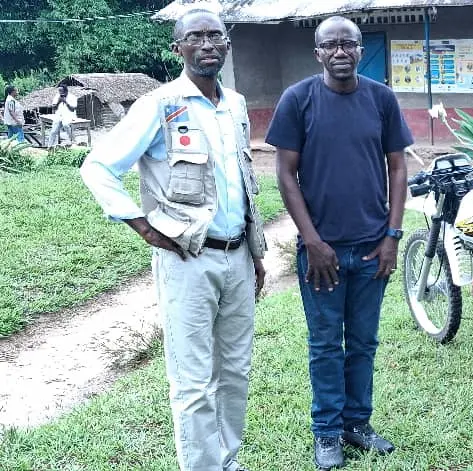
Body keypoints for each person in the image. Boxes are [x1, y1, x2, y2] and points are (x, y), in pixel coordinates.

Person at [79, 8, 266, 471]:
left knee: (235, 372)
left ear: (227, 45)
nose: (207, 44)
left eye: (215, 36)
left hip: (239, 257)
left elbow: (240, 184)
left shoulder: (235, 104)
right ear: (177, 48)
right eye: (195, 37)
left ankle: (228, 461)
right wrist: (142, 226)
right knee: (193, 382)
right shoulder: (160, 105)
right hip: (188, 260)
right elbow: (98, 167)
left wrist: (256, 254)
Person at [265, 15, 412, 470]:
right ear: (318, 53)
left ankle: (357, 423)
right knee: (326, 344)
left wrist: (391, 236)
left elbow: (398, 168)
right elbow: (285, 174)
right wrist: (312, 241)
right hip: (321, 253)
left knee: (364, 342)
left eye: (348, 43)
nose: (340, 52)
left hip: (372, 250)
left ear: (361, 49)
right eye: (330, 45)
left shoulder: (381, 99)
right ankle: (327, 431)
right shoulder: (298, 100)